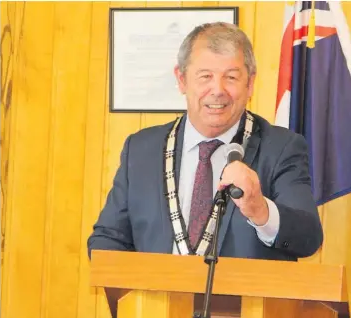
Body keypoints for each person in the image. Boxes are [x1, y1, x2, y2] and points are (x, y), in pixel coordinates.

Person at [87, 22, 323, 262]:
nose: (217, 90)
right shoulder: (141, 150)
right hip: (155, 298)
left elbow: (308, 237)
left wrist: (260, 210)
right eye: (205, 76)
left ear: (250, 83)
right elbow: (108, 238)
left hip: (248, 299)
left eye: (231, 77)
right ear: (181, 79)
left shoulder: (281, 148)